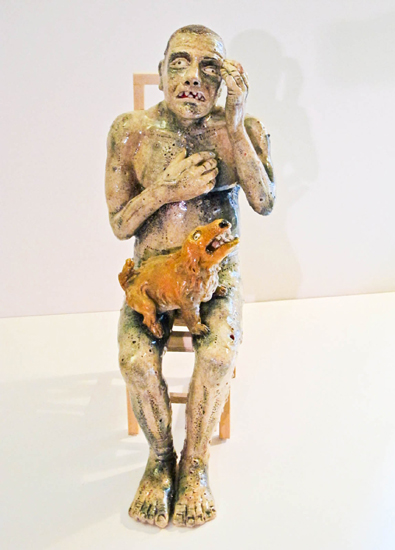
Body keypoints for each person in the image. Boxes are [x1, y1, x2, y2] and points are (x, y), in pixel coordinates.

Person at [105, 24, 275, 528]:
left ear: (225, 81)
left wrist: (237, 125)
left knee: (218, 353)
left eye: (209, 67)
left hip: (214, 279)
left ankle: (195, 462)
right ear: (160, 73)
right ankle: (161, 460)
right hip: (152, 279)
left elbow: (264, 202)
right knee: (135, 360)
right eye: (179, 63)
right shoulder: (131, 131)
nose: (193, 78)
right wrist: (165, 191)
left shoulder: (238, 129)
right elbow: (120, 225)